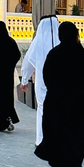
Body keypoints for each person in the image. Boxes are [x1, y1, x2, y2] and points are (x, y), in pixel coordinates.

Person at [35, 21, 84, 167]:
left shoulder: (55, 54)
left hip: (57, 105)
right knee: (76, 138)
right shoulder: (82, 55)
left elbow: (47, 77)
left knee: (57, 137)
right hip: (79, 107)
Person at [20, 15, 59, 146]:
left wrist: (24, 80)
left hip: (43, 81)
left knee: (43, 108)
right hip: (61, 83)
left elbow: (28, 62)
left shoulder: (38, 42)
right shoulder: (63, 41)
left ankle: (42, 139)